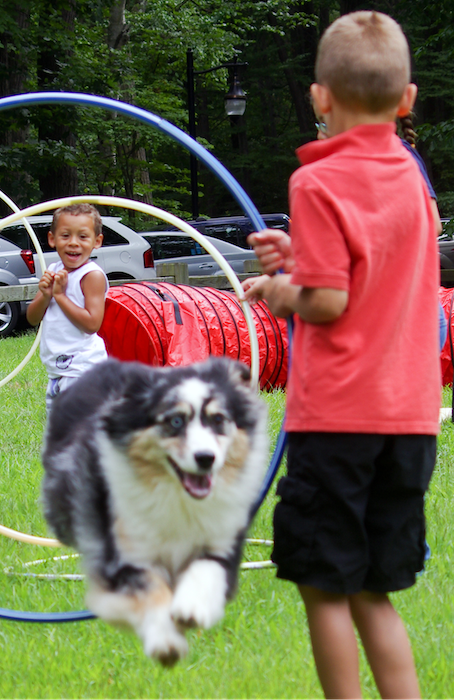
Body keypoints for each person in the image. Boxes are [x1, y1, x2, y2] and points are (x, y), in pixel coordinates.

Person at [244, 11, 438, 699]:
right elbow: (376, 270)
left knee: (326, 590)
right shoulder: (412, 176)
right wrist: (302, 260)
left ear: (319, 98)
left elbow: (327, 303)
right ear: (406, 99)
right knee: (373, 593)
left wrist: (278, 287)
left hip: (339, 425)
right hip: (409, 425)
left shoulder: (315, 183)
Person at [26, 203, 108, 412]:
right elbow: (32, 318)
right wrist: (45, 295)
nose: (73, 243)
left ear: (96, 241)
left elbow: (92, 324)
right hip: (58, 372)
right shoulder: (54, 270)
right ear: (52, 239)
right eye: (65, 236)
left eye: (82, 236)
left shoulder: (91, 276)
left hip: (83, 370)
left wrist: (60, 296)